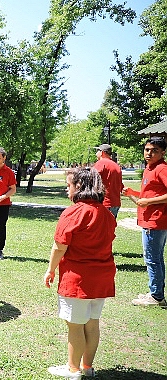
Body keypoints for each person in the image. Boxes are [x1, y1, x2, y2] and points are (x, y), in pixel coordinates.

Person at [44, 167, 117, 379]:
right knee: (92, 324)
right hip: (101, 278)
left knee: (75, 325)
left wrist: (50, 270)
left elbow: (59, 246)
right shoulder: (105, 212)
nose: (67, 189)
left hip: (77, 279)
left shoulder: (73, 212)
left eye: (69, 185)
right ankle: (87, 366)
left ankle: (73, 369)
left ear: (79, 186)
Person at [123, 137, 167, 308]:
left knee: (152, 259)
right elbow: (150, 193)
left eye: (154, 150)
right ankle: (156, 293)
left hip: (155, 221)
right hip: (150, 220)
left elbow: (152, 198)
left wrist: (148, 203)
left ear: (163, 152)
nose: (149, 153)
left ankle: (156, 297)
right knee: (156, 258)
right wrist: (133, 192)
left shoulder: (161, 168)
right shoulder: (150, 169)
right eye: (147, 149)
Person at [92, 144, 124, 218]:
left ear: (102, 152)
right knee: (110, 227)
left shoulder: (101, 163)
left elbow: (92, 179)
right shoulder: (116, 166)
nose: (96, 153)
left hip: (104, 203)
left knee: (100, 228)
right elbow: (120, 185)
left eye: (98, 150)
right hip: (115, 203)